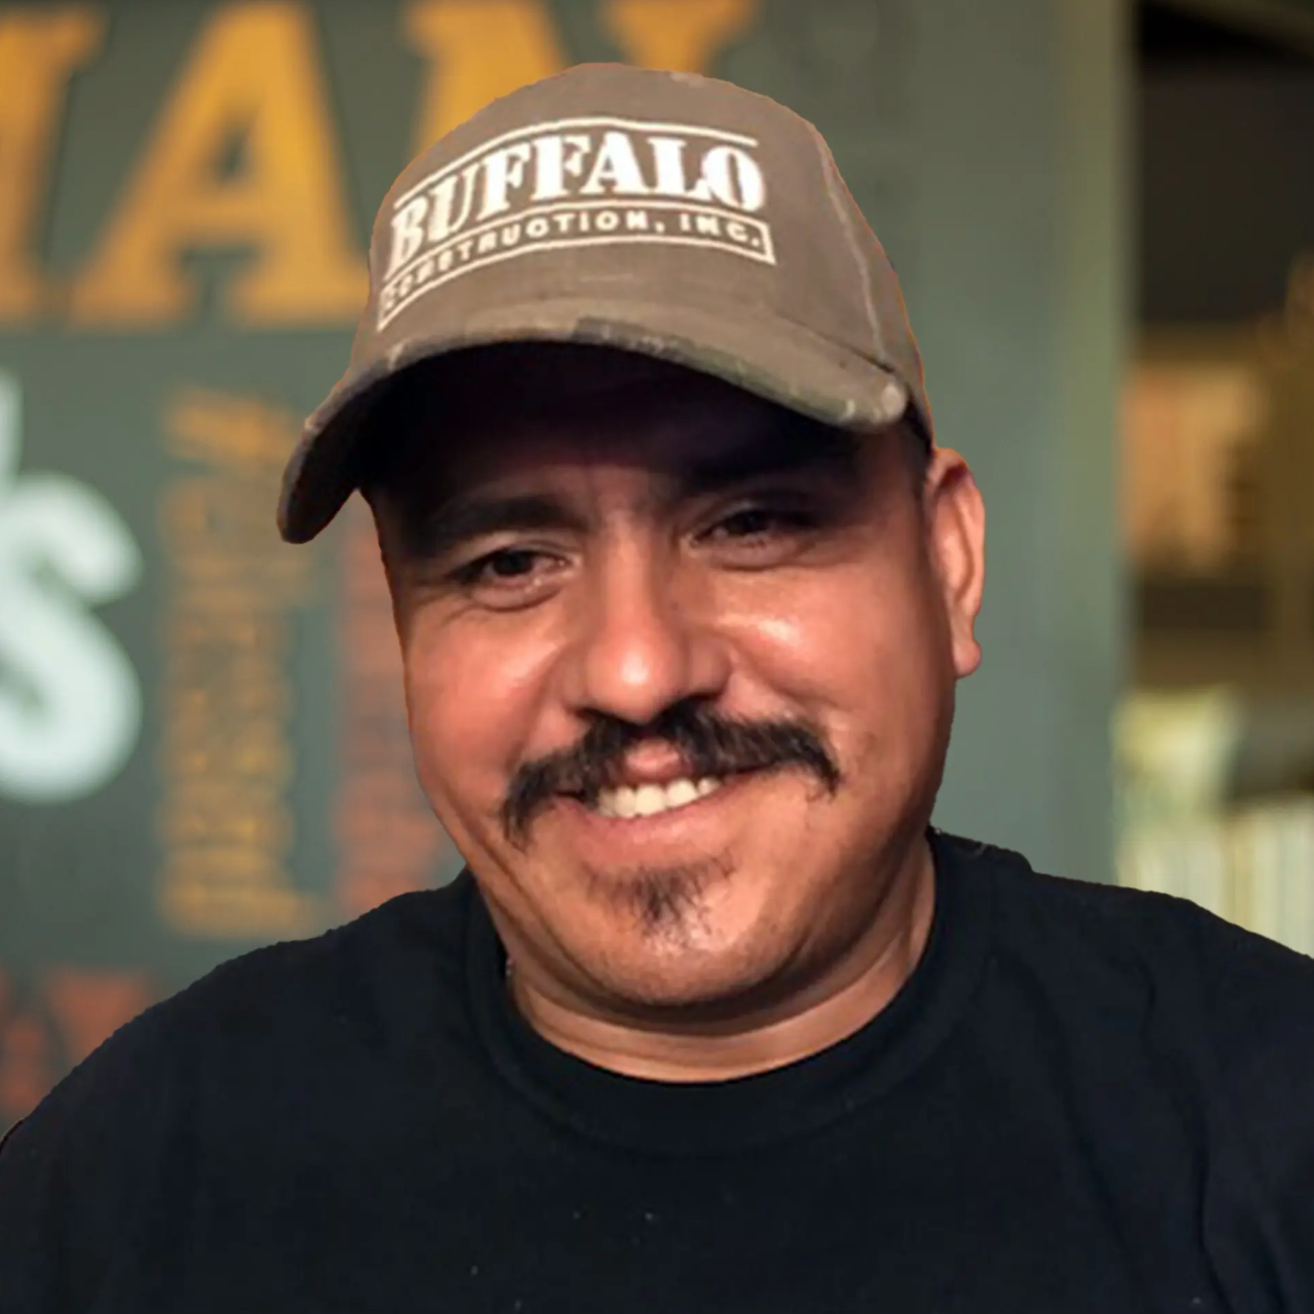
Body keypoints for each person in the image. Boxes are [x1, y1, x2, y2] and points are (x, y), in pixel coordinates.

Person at [2, 62, 1313, 1314]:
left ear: (949, 559)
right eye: (508, 559)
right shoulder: (146, 1171)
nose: (634, 670)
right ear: (401, 625)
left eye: (751, 522)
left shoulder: (1260, 1117)